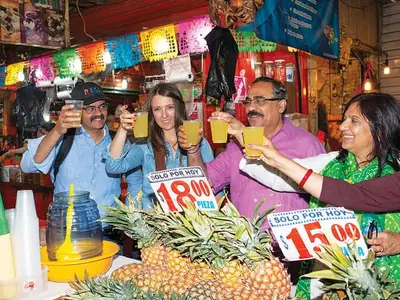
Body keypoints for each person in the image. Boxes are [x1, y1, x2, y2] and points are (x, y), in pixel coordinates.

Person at [241, 93, 400, 297]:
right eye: (345, 119)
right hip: (327, 282)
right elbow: (289, 182)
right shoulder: (333, 165)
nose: (342, 127)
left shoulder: (393, 172)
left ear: (380, 129)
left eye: (354, 121)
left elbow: (351, 194)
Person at [178, 77, 325, 219]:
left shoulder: (306, 145)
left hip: (289, 241)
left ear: (281, 106)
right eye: (248, 102)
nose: (252, 108)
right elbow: (202, 184)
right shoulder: (235, 148)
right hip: (245, 241)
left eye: (260, 101)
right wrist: (193, 150)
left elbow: (324, 196)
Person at [21, 82, 142, 217]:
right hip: (67, 229)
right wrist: (56, 131)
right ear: (77, 111)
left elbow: (135, 182)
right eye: (90, 108)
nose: (98, 113)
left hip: (108, 231)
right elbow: (27, 166)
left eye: (102, 106)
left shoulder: (119, 141)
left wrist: (134, 219)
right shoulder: (63, 139)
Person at [104, 83, 215, 210]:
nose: (164, 115)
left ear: (179, 107)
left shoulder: (199, 142)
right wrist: (123, 129)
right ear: (152, 113)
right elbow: (113, 166)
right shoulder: (145, 146)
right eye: (157, 109)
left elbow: (214, 187)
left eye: (169, 107)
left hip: (190, 224)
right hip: (155, 225)